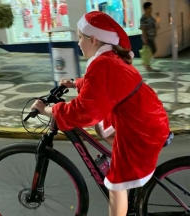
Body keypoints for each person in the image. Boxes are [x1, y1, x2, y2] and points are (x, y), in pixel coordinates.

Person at [31, 11, 170, 216]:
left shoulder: (102, 64)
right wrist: (75, 83)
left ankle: (122, 171)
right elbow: (101, 86)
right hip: (147, 118)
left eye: (80, 38)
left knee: (116, 186)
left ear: (93, 39)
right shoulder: (110, 58)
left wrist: (48, 110)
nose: (78, 43)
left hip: (141, 128)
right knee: (102, 125)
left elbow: (85, 111)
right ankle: (119, 158)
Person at [140, 2, 158, 72]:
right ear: (146, 9)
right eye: (149, 8)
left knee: (152, 50)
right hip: (147, 37)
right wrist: (145, 39)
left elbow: (154, 25)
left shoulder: (150, 16)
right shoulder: (143, 18)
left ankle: (146, 63)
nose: (151, 9)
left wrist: (155, 32)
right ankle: (146, 64)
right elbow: (143, 28)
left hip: (151, 36)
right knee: (152, 50)